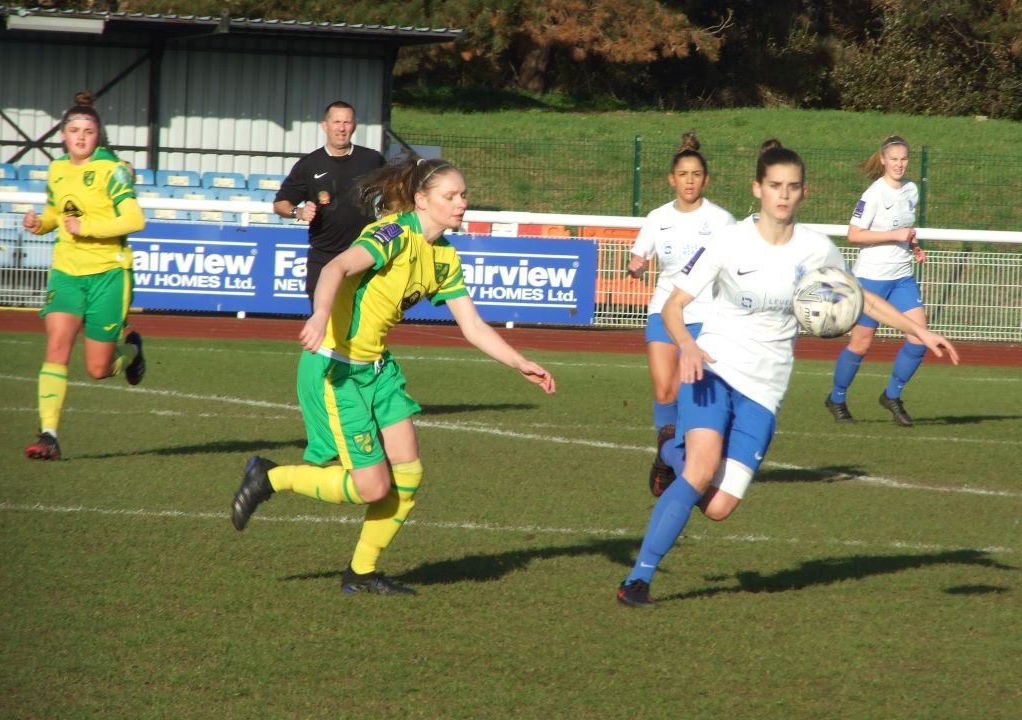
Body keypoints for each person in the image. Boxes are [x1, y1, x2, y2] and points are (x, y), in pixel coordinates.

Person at [616, 139, 959, 607]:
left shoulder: (815, 249)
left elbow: (860, 296)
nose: (783, 194)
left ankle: (668, 452)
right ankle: (638, 581)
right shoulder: (729, 239)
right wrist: (688, 346)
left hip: (765, 387)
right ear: (757, 188)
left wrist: (918, 329)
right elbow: (675, 306)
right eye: (774, 185)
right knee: (699, 472)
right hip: (712, 368)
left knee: (718, 507)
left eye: (792, 187)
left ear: (804, 193)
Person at [231, 157, 557, 596]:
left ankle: (361, 574)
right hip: (337, 368)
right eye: (451, 196)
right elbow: (335, 268)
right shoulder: (394, 234)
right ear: (422, 200)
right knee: (373, 487)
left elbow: (473, 327)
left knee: (408, 474)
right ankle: (269, 477)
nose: (462, 204)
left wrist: (521, 363)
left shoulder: (444, 257)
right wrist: (320, 314)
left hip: (379, 368)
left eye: (463, 195)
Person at [21, 92, 147, 461]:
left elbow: (135, 219)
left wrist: (87, 226)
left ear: (98, 136)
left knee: (98, 368)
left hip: (109, 273)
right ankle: (48, 435)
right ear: (62, 135)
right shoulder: (57, 169)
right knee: (56, 347)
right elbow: (54, 213)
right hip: (66, 271)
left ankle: (133, 352)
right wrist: (40, 223)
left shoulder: (113, 169)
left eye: (88, 131)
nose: (80, 137)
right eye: (73, 130)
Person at [627, 131, 735, 496]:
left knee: (691, 392)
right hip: (664, 309)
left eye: (696, 175)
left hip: (705, 314)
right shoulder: (658, 218)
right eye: (683, 174)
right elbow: (638, 257)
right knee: (664, 388)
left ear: (705, 179)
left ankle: (672, 459)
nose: (689, 181)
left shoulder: (722, 220)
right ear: (672, 180)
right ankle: (670, 457)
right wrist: (637, 264)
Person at [824, 135, 929, 427]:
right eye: (893, 159)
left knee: (919, 337)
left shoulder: (911, 190)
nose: (899, 164)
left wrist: (915, 246)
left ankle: (892, 396)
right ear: (883, 160)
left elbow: (905, 228)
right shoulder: (873, 194)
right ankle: (836, 397)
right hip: (871, 279)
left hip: (902, 278)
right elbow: (854, 234)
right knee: (860, 344)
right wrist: (892, 236)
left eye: (903, 159)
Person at [272, 101, 385, 300]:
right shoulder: (308, 165)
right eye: (337, 122)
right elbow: (280, 204)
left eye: (347, 122)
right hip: (324, 256)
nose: (341, 128)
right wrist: (297, 212)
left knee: (361, 325)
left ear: (354, 126)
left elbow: (395, 191)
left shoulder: (372, 160)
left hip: (363, 253)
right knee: (323, 322)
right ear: (325, 126)